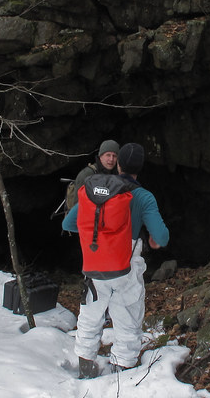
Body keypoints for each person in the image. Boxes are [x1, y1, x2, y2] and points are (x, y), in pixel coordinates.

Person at [62, 142, 169, 378]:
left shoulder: (97, 189)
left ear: (118, 163)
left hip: (95, 265)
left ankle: (85, 367)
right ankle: (123, 372)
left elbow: (68, 223)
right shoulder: (142, 196)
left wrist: (98, 233)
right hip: (126, 268)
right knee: (128, 320)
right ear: (139, 168)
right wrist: (153, 240)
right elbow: (161, 236)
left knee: (90, 317)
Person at [65, 139, 120, 214]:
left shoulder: (115, 176)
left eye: (114, 156)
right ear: (100, 156)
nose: (111, 159)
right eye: (108, 155)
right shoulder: (87, 174)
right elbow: (77, 206)